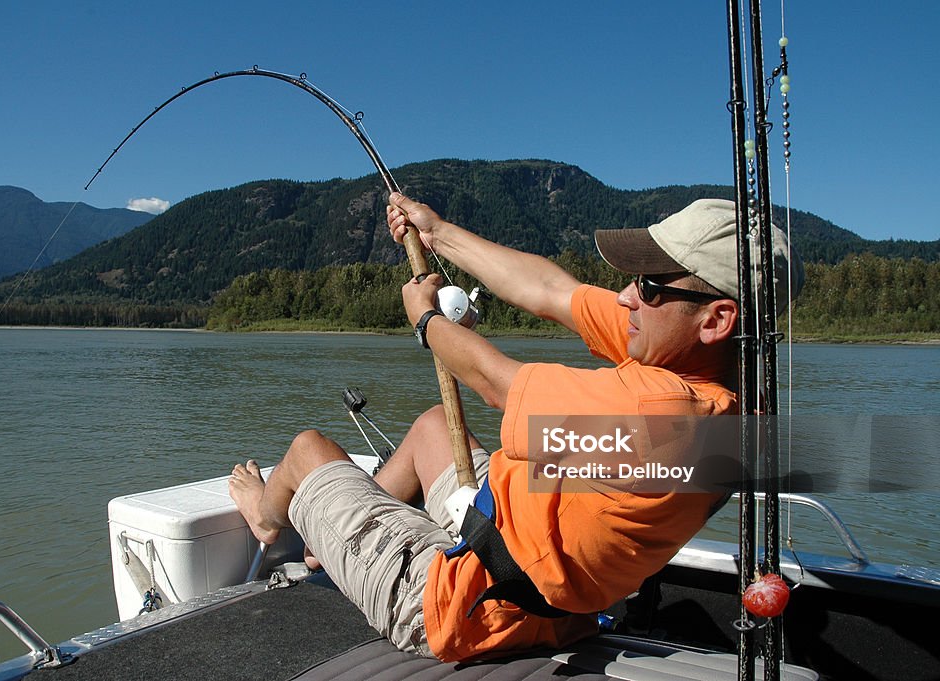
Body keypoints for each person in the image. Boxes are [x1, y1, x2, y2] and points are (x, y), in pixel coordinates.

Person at [228, 195, 802, 662]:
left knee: (307, 451)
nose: (626, 297)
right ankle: (341, 541)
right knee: (433, 427)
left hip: (461, 605)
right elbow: (551, 292)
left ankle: (268, 515)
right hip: (539, 584)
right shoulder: (730, 400)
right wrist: (438, 232)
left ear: (717, 319)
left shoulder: (666, 418)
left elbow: (496, 382)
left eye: (648, 287)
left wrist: (425, 318)